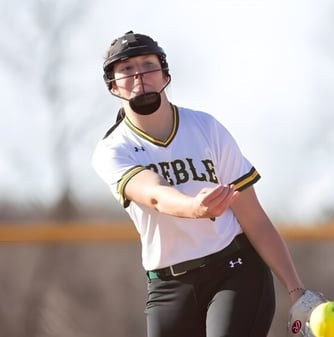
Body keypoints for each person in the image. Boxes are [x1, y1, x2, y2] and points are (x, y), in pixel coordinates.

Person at [91, 31, 307, 337]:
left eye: (148, 64)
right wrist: (194, 207)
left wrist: (297, 290)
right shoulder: (113, 149)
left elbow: (254, 217)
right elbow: (154, 194)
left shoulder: (206, 128)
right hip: (168, 285)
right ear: (112, 84)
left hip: (235, 269)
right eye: (126, 68)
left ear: (165, 73)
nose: (139, 74)